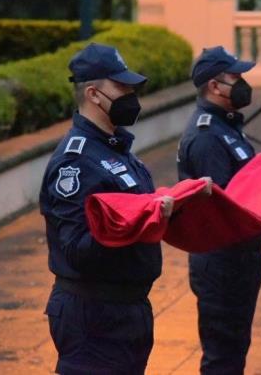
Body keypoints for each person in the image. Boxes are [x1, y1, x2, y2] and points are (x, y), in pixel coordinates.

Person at [40, 43, 177, 375]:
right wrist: (136, 219)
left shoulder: (117, 149)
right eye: (122, 87)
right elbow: (76, 250)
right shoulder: (75, 162)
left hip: (127, 310)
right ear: (93, 94)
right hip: (94, 313)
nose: (131, 94)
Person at [177, 46, 261, 374]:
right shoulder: (206, 136)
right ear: (214, 86)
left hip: (240, 257)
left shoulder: (225, 125)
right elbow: (221, 205)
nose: (242, 83)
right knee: (221, 354)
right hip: (222, 262)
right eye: (235, 78)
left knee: (235, 346)